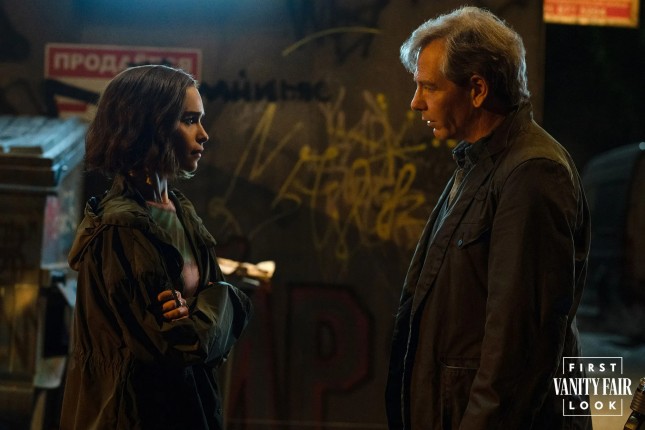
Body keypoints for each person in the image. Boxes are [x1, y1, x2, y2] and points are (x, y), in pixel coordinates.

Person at [385, 7, 592, 429]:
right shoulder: (481, 163)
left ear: (477, 89)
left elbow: (518, 350)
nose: (416, 102)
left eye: (429, 87)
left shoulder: (531, 172)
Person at [60, 65, 252, 430]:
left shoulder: (181, 210)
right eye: (189, 120)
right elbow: (175, 345)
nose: (204, 134)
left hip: (188, 407)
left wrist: (212, 303)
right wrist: (224, 298)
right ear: (151, 127)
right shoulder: (121, 226)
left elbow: (211, 335)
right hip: (132, 416)